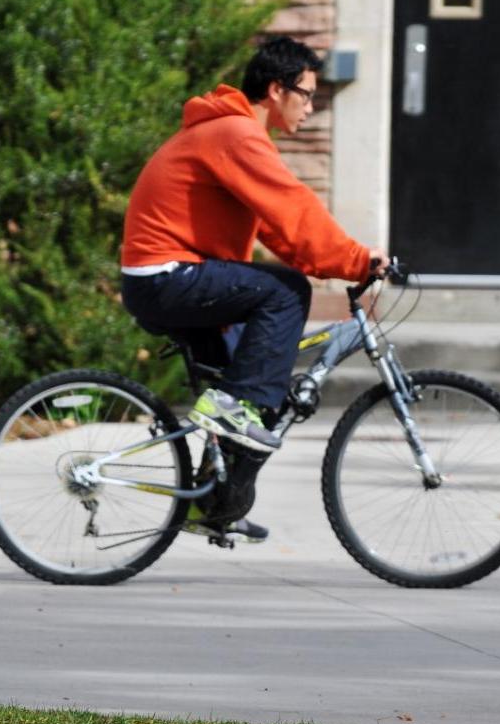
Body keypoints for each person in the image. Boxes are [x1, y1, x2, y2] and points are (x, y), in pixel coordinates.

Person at [119, 35, 386, 538]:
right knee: (285, 293)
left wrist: (338, 262)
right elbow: (294, 206)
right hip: (166, 276)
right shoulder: (236, 133)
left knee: (257, 391)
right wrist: (355, 259)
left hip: (170, 279)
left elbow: (279, 229)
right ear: (274, 90)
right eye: (306, 94)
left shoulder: (233, 134)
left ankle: (215, 507)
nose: (312, 106)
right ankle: (233, 411)